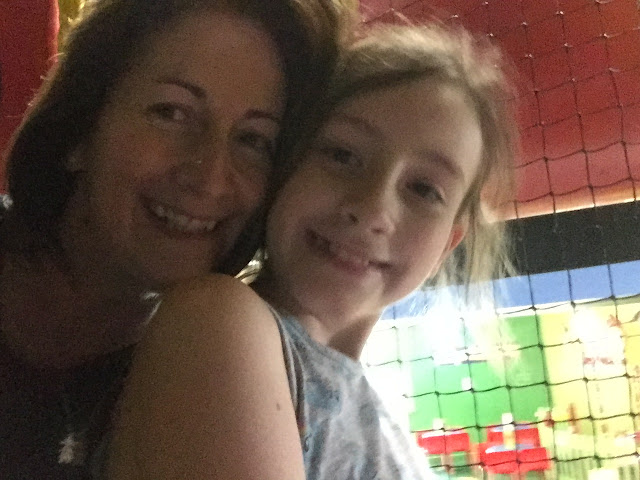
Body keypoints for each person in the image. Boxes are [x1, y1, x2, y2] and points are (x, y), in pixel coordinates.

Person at [106, 22, 518, 480]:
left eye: (423, 189)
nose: (372, 209)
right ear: (285, 166)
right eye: (342, 155)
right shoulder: (215, 321)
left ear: (447, 243)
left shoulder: (381, 422)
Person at [0, 0, 355, 478]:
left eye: (253, 140)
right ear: (79, 130)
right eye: (172, 113)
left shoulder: (221, 388)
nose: (210, 179)